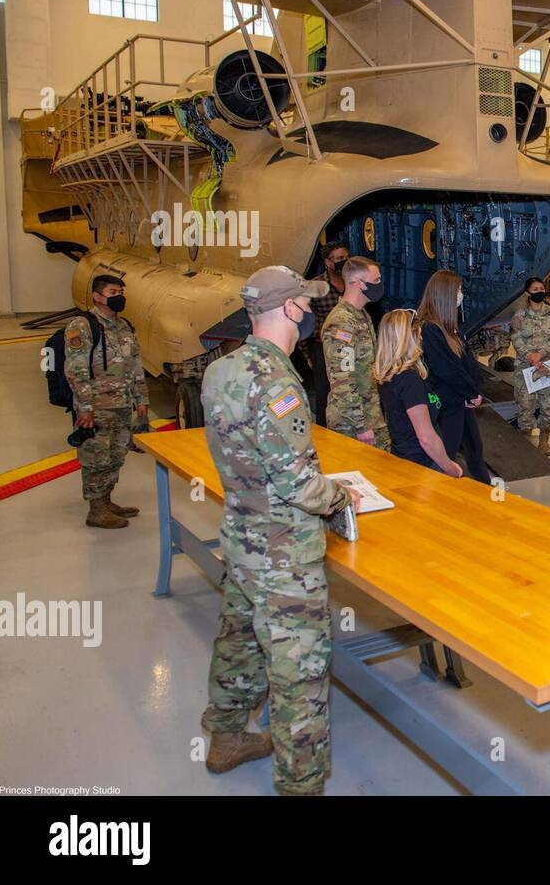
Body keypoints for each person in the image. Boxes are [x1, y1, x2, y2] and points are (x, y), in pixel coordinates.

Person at [199, 265, 358, 795]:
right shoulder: (277, 381)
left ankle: (224, 739)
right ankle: (301, 786)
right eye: (306, 304)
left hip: (241, 539)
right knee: (300, 679)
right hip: (283, 557)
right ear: (289, 309)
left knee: (240, 642)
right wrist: (341, 495)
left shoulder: (222, 370)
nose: (310, 311)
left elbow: (247, 459)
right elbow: (298, 486)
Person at [64, 274, 149, 529]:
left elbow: (135, 366)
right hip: (97, 406)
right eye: (113, 292)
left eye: (121, 291)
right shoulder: (82, 326)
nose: (119, 297)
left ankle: (106, 499)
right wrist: (85, 407)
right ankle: (96, 509)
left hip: (122, 404)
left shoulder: (124, 327)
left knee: (116, 453)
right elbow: (76, 370)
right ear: (97, 296)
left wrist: (141, 399)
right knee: (96, 456)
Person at [416, 270, 491, 483]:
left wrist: (476, 389)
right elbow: (446, 369)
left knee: (475, 450)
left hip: (462, 400)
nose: (461, 295)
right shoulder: (430, 329)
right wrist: (470, 391)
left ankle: (485, 495)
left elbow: (467, 362)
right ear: (445, 294)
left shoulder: (451, 329)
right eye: (457, 291)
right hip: (447, 404)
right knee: (447, 455)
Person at [374, 309, 463, 476]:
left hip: (403, 456)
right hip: (423, 462)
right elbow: (426, 438)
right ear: (409, 339)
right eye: (418, 334)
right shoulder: (409, 380)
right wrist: (450, 467)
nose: (421, 339)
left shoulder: (390, 376)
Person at [322, 256, 390, 451]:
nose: (379, 285)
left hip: (370, 415)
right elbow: (343, 379)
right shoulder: (341, 322)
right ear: (359, 283)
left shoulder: (360, 315)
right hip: (352, 424)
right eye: (376, 280)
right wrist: (360, 426)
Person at [509, 277, 550, 456]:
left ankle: (544, 441)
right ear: (527, 293)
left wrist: (540, 354)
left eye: (541, 288)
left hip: (547, 366)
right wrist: (529, 355)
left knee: (548, 405)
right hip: (526, 368)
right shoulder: (519, 315)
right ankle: (525, 438)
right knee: (525, 405)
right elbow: (515, 337)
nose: (539, 291)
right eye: (535, 289)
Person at [304, 242, 348, 425]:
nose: (343, 262)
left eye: (346, 258)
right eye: (339, 259)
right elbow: (304, 322)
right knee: (324, 394)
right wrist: (307, 354)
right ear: (328, 262)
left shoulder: (353, 281)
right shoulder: (315, 286)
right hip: (323, 349)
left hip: (349, 346)